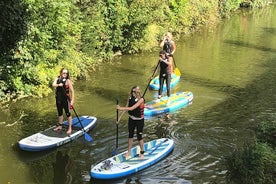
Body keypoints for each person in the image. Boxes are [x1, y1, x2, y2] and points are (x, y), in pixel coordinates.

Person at [116, 86, 145, 159]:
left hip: (139, 120)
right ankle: (128, 152)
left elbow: (132, 108)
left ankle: (142, 153)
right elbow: (126, 107)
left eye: (137, 89)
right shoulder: (130, 97)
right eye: (134, 90)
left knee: (139, 137)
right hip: (131, 119)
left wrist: (119, 108)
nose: (135, 91)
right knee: (130, 135)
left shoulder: (141, 99)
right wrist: (119, 118)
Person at [52, 68, 75, 135]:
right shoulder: (57, 79)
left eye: (66, 73)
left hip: (66, 99)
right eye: (63, 73)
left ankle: (70, 127)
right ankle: (60, 126)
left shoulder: (68, 81)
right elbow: (53, 84)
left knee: (67, 113)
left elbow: (72, 91)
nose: (65, 74)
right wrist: (59, 85)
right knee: (60, 113)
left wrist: (72, 100)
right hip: (59, 99)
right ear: (61, 73)